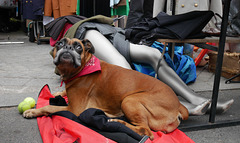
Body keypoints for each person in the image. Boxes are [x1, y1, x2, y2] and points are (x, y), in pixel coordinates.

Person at [64, 22, 233, 116]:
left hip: (113, 32)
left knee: (153, 53)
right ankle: (179, 107)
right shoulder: (68, 27)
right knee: (122, 66)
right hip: (86, 29)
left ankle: (195, 98)